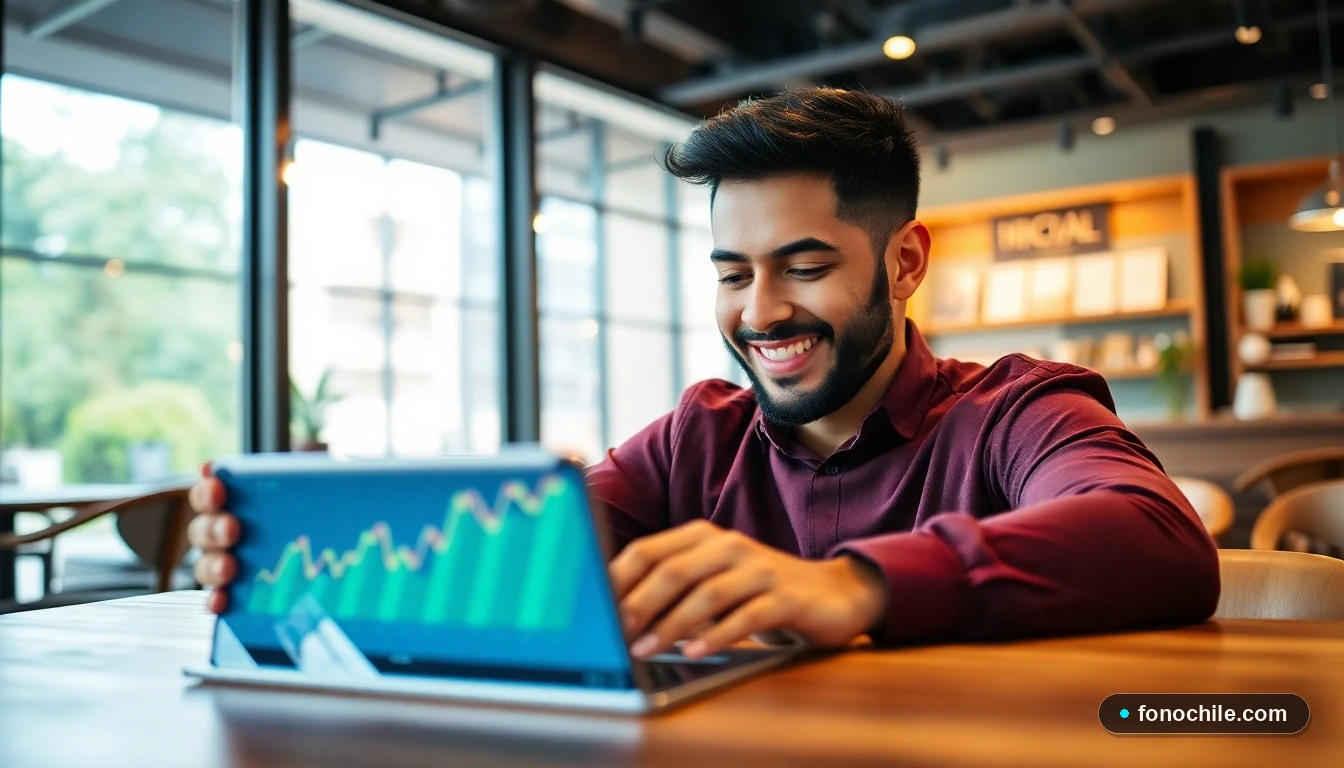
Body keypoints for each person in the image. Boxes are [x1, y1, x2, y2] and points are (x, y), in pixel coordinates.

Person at [189, 88, 1220, 662]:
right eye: (733, 274)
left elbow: (1161, 540)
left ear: (905, 263)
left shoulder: (1018, 409)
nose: (760, 312)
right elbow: (521, 548)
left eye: (804, 267)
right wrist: (291, 562)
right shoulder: (698, 435)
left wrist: (849, 587)